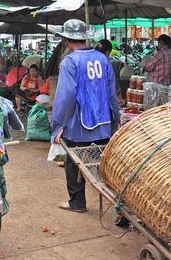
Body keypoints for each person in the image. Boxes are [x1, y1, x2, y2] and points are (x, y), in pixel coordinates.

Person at [51, 19, 120, 213]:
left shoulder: (69, 62)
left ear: (66, 39)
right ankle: (118, 203)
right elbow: (111, 92)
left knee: (73, 162)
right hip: (103, 121)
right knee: (105, 164)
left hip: (79, 125)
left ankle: (77, 202)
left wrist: (57, 126)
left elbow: (65, 97)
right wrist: (115, 119)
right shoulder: (102, 58)